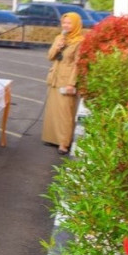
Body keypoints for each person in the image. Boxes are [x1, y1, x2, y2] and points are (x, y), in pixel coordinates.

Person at [41, 12, 84, 155]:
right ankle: (52, 138)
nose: (65, 25)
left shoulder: (80, 41)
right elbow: (50, 56)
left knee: (66, 112)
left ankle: (64, 143)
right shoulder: (59, 38)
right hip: (55, 77)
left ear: (76, 24)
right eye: (64, 22)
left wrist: (72, 83)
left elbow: (78, 64)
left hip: (67, 80)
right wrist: (58, 47)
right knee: (53, 110)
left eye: (69, 23)